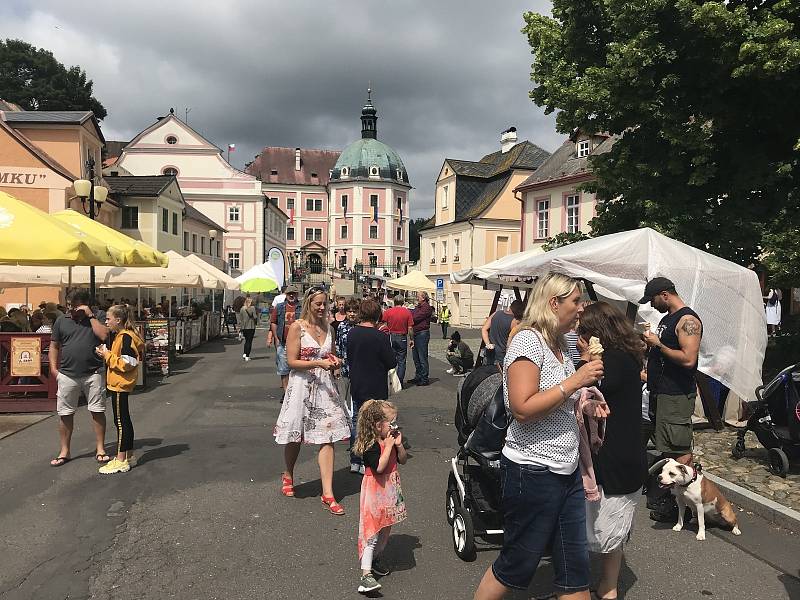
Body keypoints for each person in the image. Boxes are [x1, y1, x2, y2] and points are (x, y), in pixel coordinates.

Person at [474, 272, 605, 600]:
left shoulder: (561, 343)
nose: (581, 308)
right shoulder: (527, 340)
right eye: (576, 301)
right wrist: (576, 382)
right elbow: (522, 407)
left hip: (567, 469)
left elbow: (558, 397)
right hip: (531, 471)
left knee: (576, 569)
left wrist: (584, 403)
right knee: (518, 563)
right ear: (553, 303)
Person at [576, 302, 647, 600]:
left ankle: (598, 589)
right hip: (629, 450)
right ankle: (608, 587)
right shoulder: (628, 354)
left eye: (583, 330)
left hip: (613, 453)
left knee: (601, 528)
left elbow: (585, 388)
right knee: (613, 533)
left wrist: (584, 358)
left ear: (596, 333)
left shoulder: (610, 361)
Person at [273, 287, 350, 515]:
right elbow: (291, 361)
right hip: (301, 387)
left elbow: (331, 355)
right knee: (295, 435)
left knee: (327, 438)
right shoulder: (297, 327)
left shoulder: (328, 328)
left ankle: (328, 493)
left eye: (325, 303)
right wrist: (318, 364)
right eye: (318, 303)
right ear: (309, 303)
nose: (322, 307)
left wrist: (336, 362)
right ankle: (289, 473)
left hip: (325, 387)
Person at [638, 276, 702, 523]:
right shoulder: (667, 319)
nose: (652, 305)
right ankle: (671, 501)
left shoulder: (688, 320)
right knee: (667, 448)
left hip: (676, 395)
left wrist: (659, 345)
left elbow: (688, 359)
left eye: (653, 299)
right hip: (660, 393)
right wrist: (651, 346)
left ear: (665, 294)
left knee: (680, 451)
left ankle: (685, 507)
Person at [49, 290, 112, 467]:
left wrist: (90, 316)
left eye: (75, 306)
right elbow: (54, 345)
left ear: (85, 304)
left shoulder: (98, 316)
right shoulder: (62, 320)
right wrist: (54, 369)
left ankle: (100, 448)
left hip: (94, 372)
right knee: (65, 413)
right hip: (67, 374)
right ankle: (65, 451)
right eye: (69, 305)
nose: (71, 309)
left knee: (97, 410)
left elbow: (104, 335)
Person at [352, 399, 408, 594]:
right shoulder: (371, 445)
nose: (395, 426)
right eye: (391, 422)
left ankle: (375, 559)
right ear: (377, 425)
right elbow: (379, 467)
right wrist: (389, 445)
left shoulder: (392, 438)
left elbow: (403, 460)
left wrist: (399, 446)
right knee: (371, 532)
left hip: (390, 490)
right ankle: (365, 575)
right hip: (374, 492)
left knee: (385, 530)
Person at [347, 299, 398, 473]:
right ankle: (372, 459)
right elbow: (391, 362)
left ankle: (355, 460)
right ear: (377, 315)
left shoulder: (352, 333)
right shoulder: (381, 337)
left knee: (357, 421)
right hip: (376, 385)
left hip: (357, 382)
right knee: (377, 423)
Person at [95, 305, 144, 475]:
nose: (106, 321)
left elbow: (127, 363)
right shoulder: (123, 336)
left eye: (108, 319)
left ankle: (121, 459)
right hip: (120, 383)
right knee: (124, 420)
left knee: (121, 422)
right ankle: (128, 455)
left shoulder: (125, 337)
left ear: (118, 320)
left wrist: (107, 355)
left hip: (119, 384)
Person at [335, 299, 360, 432]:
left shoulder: (361, 327)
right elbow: (338, 345)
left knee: (355, 397)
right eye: (349, 311)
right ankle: (344, 425)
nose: (352, 314)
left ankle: (354, 424)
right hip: (344, 366)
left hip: (359, 367)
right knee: (343, 396)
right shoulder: (341, 326)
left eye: (354, 311)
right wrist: (337, 366)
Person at [270, 287, 300, 392]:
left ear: (297, 294)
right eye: (289, 294)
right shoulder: (279, 307)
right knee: (283, 370)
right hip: (283, 343)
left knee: (296, 370)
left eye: (294, 293)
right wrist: (276, 338)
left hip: (298, 344)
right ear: (286, 294)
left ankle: (294, 394)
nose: (291, 296)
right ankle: (287, 394)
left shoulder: (302, 307)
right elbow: (273, 322)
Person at [383, 295, 415, 385]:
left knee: (390, 359)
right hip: (402, 337)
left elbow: (384, 326)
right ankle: (399, 382)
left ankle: (390, 381)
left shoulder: (388, 312)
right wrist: (411, 339)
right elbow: (410, 328)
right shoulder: (407, 312)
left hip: (390, 336)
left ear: (394, 302)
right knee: (401, 361)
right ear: (403, 302)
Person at [410, 291, 433, 386]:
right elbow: (412, 315)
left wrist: (410, 316)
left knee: (422, 356)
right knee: (416, 357)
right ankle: (418, 376)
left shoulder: (426, 307)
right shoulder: (418, 307)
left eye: (418, 296)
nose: (417, 298)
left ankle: (424, 378)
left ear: (423, 298)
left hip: (422, 334)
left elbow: (415, 318)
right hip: (416, 333)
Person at [481, 303, 515, 368]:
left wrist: (488, 344)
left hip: (489, 352)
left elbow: (484, 329)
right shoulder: (514, 321)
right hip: (502, 355)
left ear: (510, 307)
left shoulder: (496, 313)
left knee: (486, 374)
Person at [239, 295, 258, 361]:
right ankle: (247, 355)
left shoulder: (242, 308)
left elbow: (240, 319)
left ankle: (244, 353)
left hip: (244, 327)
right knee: (249, 341)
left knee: (246, 340)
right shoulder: (252, 308)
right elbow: (255, 317)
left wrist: (240, 328)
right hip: (251, 327)